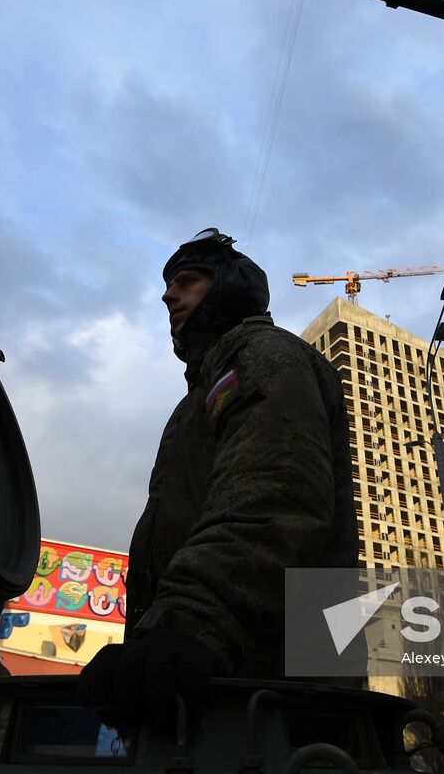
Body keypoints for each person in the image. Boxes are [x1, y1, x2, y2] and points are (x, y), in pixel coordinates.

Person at [78, 228, 357, 732]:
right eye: (168, 285)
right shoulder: (197, 397)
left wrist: (189, 624)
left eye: (187, 281)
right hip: (226, 691)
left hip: (280, 701)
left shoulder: (265, 354)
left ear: (230, 287)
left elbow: (274, 494)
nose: (168, 294)